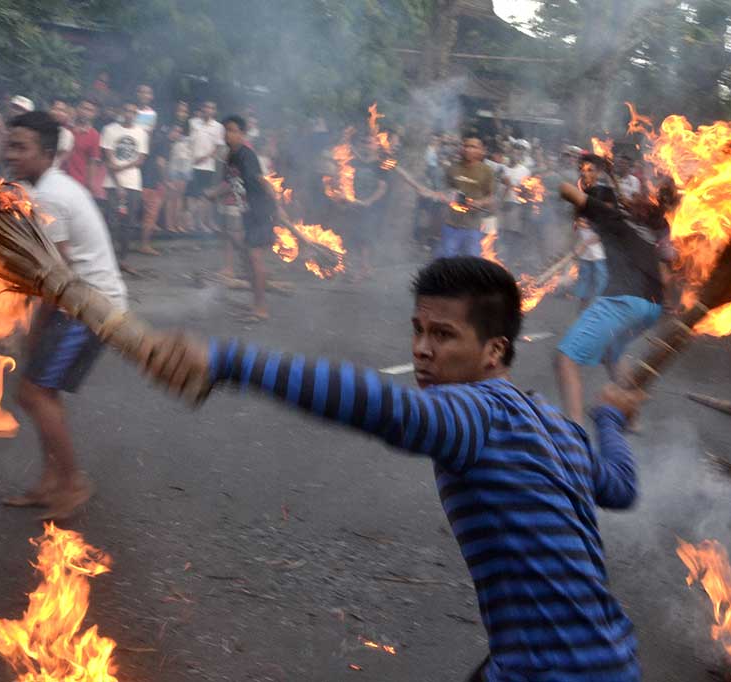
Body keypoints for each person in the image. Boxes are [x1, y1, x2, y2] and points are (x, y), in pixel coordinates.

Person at [139, 257, 644, 682]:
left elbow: (392, 411)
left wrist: (231, 361)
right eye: (419, 330)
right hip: (611, 658)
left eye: (444, 335)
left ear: (495, 351)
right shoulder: (560, 429)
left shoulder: (477, 414)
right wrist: (608, 420)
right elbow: (619, 486)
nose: (422, 349)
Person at [2, 111, 127, 520]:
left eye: (21, 147)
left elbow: (59, 276)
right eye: (11, 144)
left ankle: (72, 482)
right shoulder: (39, 187)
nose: (11, 153)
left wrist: (35, 328)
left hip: (90, 305)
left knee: (33, 393)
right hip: (78, 301)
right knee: (43, 392)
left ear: (48, 153)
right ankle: (51, 483)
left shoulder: (49, 195)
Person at [555, 153, 664, 424]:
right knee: (611, 353)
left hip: (624, 300)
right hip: (652, 307)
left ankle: (574, 434)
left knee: (564, 359)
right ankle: (631, 417)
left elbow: (565, 190)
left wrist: (572, 180)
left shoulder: (612, 217)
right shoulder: (648, 232)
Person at [206, 114, 285, 322]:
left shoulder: (246, 155)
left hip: (261, 212)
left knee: (254, 258)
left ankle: (261, 309)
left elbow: (263, 181)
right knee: (247, 258)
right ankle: (256, 304)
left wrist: (277, 207)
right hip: (248, 212)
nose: (227, 135)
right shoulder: (230, 157)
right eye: (225, 131)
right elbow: (230, 183)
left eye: (232, 130)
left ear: (241, 134)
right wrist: (214, 193)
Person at [100, 101, 149, 270]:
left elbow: (141, 159)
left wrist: (121, 167)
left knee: (128, 223)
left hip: (133, 183)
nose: (129, 114)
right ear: (121, 110)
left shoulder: (141, 133)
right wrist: (118, 183)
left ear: (136, 115)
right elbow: (108, 158)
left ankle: (123, 258)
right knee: (111, 221)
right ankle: (108, 257)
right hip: (112, 183)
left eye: (133, 111)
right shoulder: (109, 130)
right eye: (127, 110)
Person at [434, 135, 494, 259]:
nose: (468, 149)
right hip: (451, 225)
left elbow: (491, 197)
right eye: (466, 146)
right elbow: (444, 190)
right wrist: (448, 195)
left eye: (473, 147)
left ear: (481, 151)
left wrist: (480, 203)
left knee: (470, 263)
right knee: (447, 261)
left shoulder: (487, 171)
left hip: (473, 227)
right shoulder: (453, 168)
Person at [342, 133, 388, 280]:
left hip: (371, 208)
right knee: (353, 237)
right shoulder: (354, 162)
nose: (365, 145)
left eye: (369, 142)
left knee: (364, 238)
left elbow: (382, 188)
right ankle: (363, 268)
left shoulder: (380, 165)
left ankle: (362, 269)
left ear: (376, 145)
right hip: (353, 206)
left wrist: (369, 201)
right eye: (363, 142)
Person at [573, 160, 610, 311]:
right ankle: (583, 306)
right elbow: (577, 216)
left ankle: (599, 307)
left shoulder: (603, 192)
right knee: (585, 274)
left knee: (602, 276)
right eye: (583, 170)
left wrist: (598, 235)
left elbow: (608, 217)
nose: (585, 173)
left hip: (597, 241)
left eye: (590, 170)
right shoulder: (579, 189)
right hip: (584, 238)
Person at [186, 101, 225, 233]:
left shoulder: (218, 127)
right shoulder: (192, 123)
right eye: (206, 107)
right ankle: (191, 223)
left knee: (203, 196)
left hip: (207, 166)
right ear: (202, 109)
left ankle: (198, 221)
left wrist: (204, 157)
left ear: (214, 111)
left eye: (212, 108)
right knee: (191, 194)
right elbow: (186, 142)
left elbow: (218, 148)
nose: (209, 110)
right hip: (190, 165)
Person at [139, 113, 170, 255]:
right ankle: (145, 245)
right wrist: (165, 181)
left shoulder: (136, 135)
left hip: (133, 179)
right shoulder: (161, 139)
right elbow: (161, 163)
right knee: (150, 215)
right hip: (152, 182)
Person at [498, 147, 533, 271]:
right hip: (501, 205)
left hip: (515, 205)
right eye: (512, 152)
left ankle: (510, 262)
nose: (515, 155)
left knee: (512, 234)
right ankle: (500, 260)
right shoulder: (502, 168)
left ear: (521, 156)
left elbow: (527, 190)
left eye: (518, 153)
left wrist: (518, 190)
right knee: (500, 233)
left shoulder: (525, 171)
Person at [64, 98, 104, 199]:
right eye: (84, 108)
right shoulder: (64, 127)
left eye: (90, 110)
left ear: (94, 114)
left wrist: (90, 186)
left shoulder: (94, 135)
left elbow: (92, 163)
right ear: (77, 109)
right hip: (57, 176)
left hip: (78, 183)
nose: (86, 112)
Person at [164, 101, 192, 233]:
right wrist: (172, 135)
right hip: (173, 163)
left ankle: (177, 223)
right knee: (171, 195)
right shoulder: (170, 125)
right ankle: (169, 223)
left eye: (185, 111)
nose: (183, 113)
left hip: (186, 163)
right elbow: (167, 142)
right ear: (176, 111)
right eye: (180, 110)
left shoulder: (190, 128)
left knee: (180, 195)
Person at [49, 100, 75, 168]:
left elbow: (59, 159)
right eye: (55, 109)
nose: (58, 113)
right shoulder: (38, 128)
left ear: (67, 115)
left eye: (62, 110)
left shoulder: (67, 135)